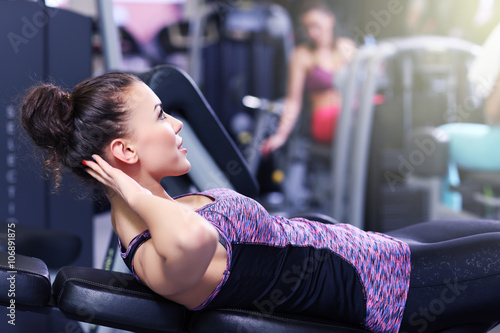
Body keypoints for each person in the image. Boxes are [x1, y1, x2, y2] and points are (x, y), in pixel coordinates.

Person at [20, 70, 500, 333]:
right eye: (162, 116)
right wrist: (127, 189)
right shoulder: (156, 252)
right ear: (125, 151)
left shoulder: (165, 212)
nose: (177, 125)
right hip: (395, 290)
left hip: (389, 250)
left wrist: (135, 191)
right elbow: (191, 241)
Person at [260, 0, 356, 155]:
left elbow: (365, 82)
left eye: (316, 25)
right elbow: (293, 101)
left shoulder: (346, 46)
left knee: (375, 112)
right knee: (356, 120)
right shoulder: (302, 55)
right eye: (308, 27)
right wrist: (281, 135)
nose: (313, 33)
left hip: (352, 114)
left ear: (330, 20)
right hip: (325, 119)